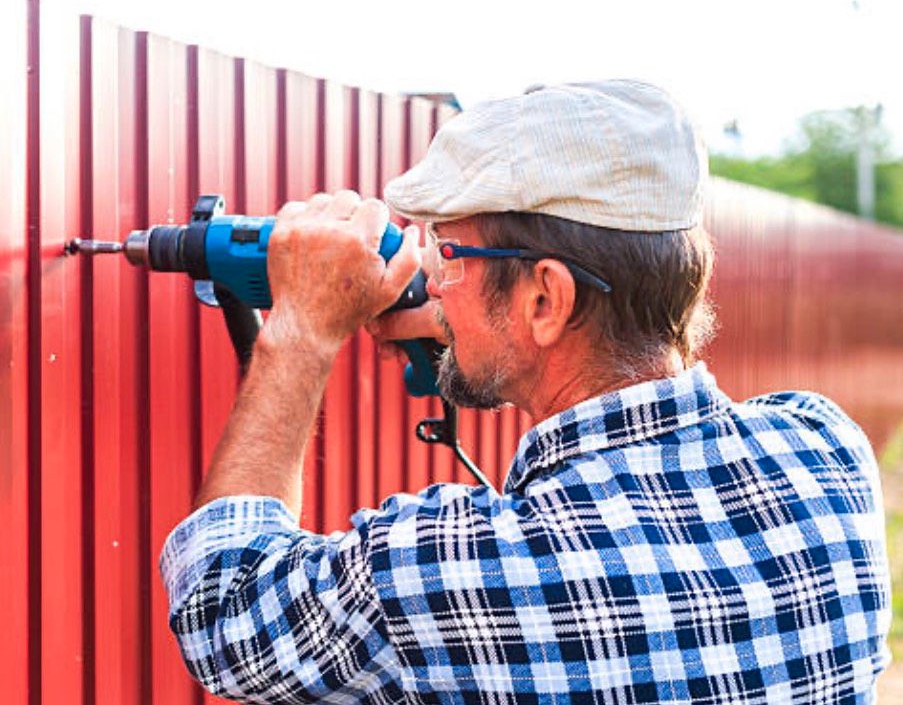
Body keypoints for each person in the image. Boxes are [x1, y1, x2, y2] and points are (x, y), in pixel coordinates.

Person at [160, 80, 891, 703]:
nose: (433, 279)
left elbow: (224, 610)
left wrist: (304, 330)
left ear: (546, 298)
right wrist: (488, 320)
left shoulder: (460, 571)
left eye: (447, 252)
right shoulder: (822, 448)